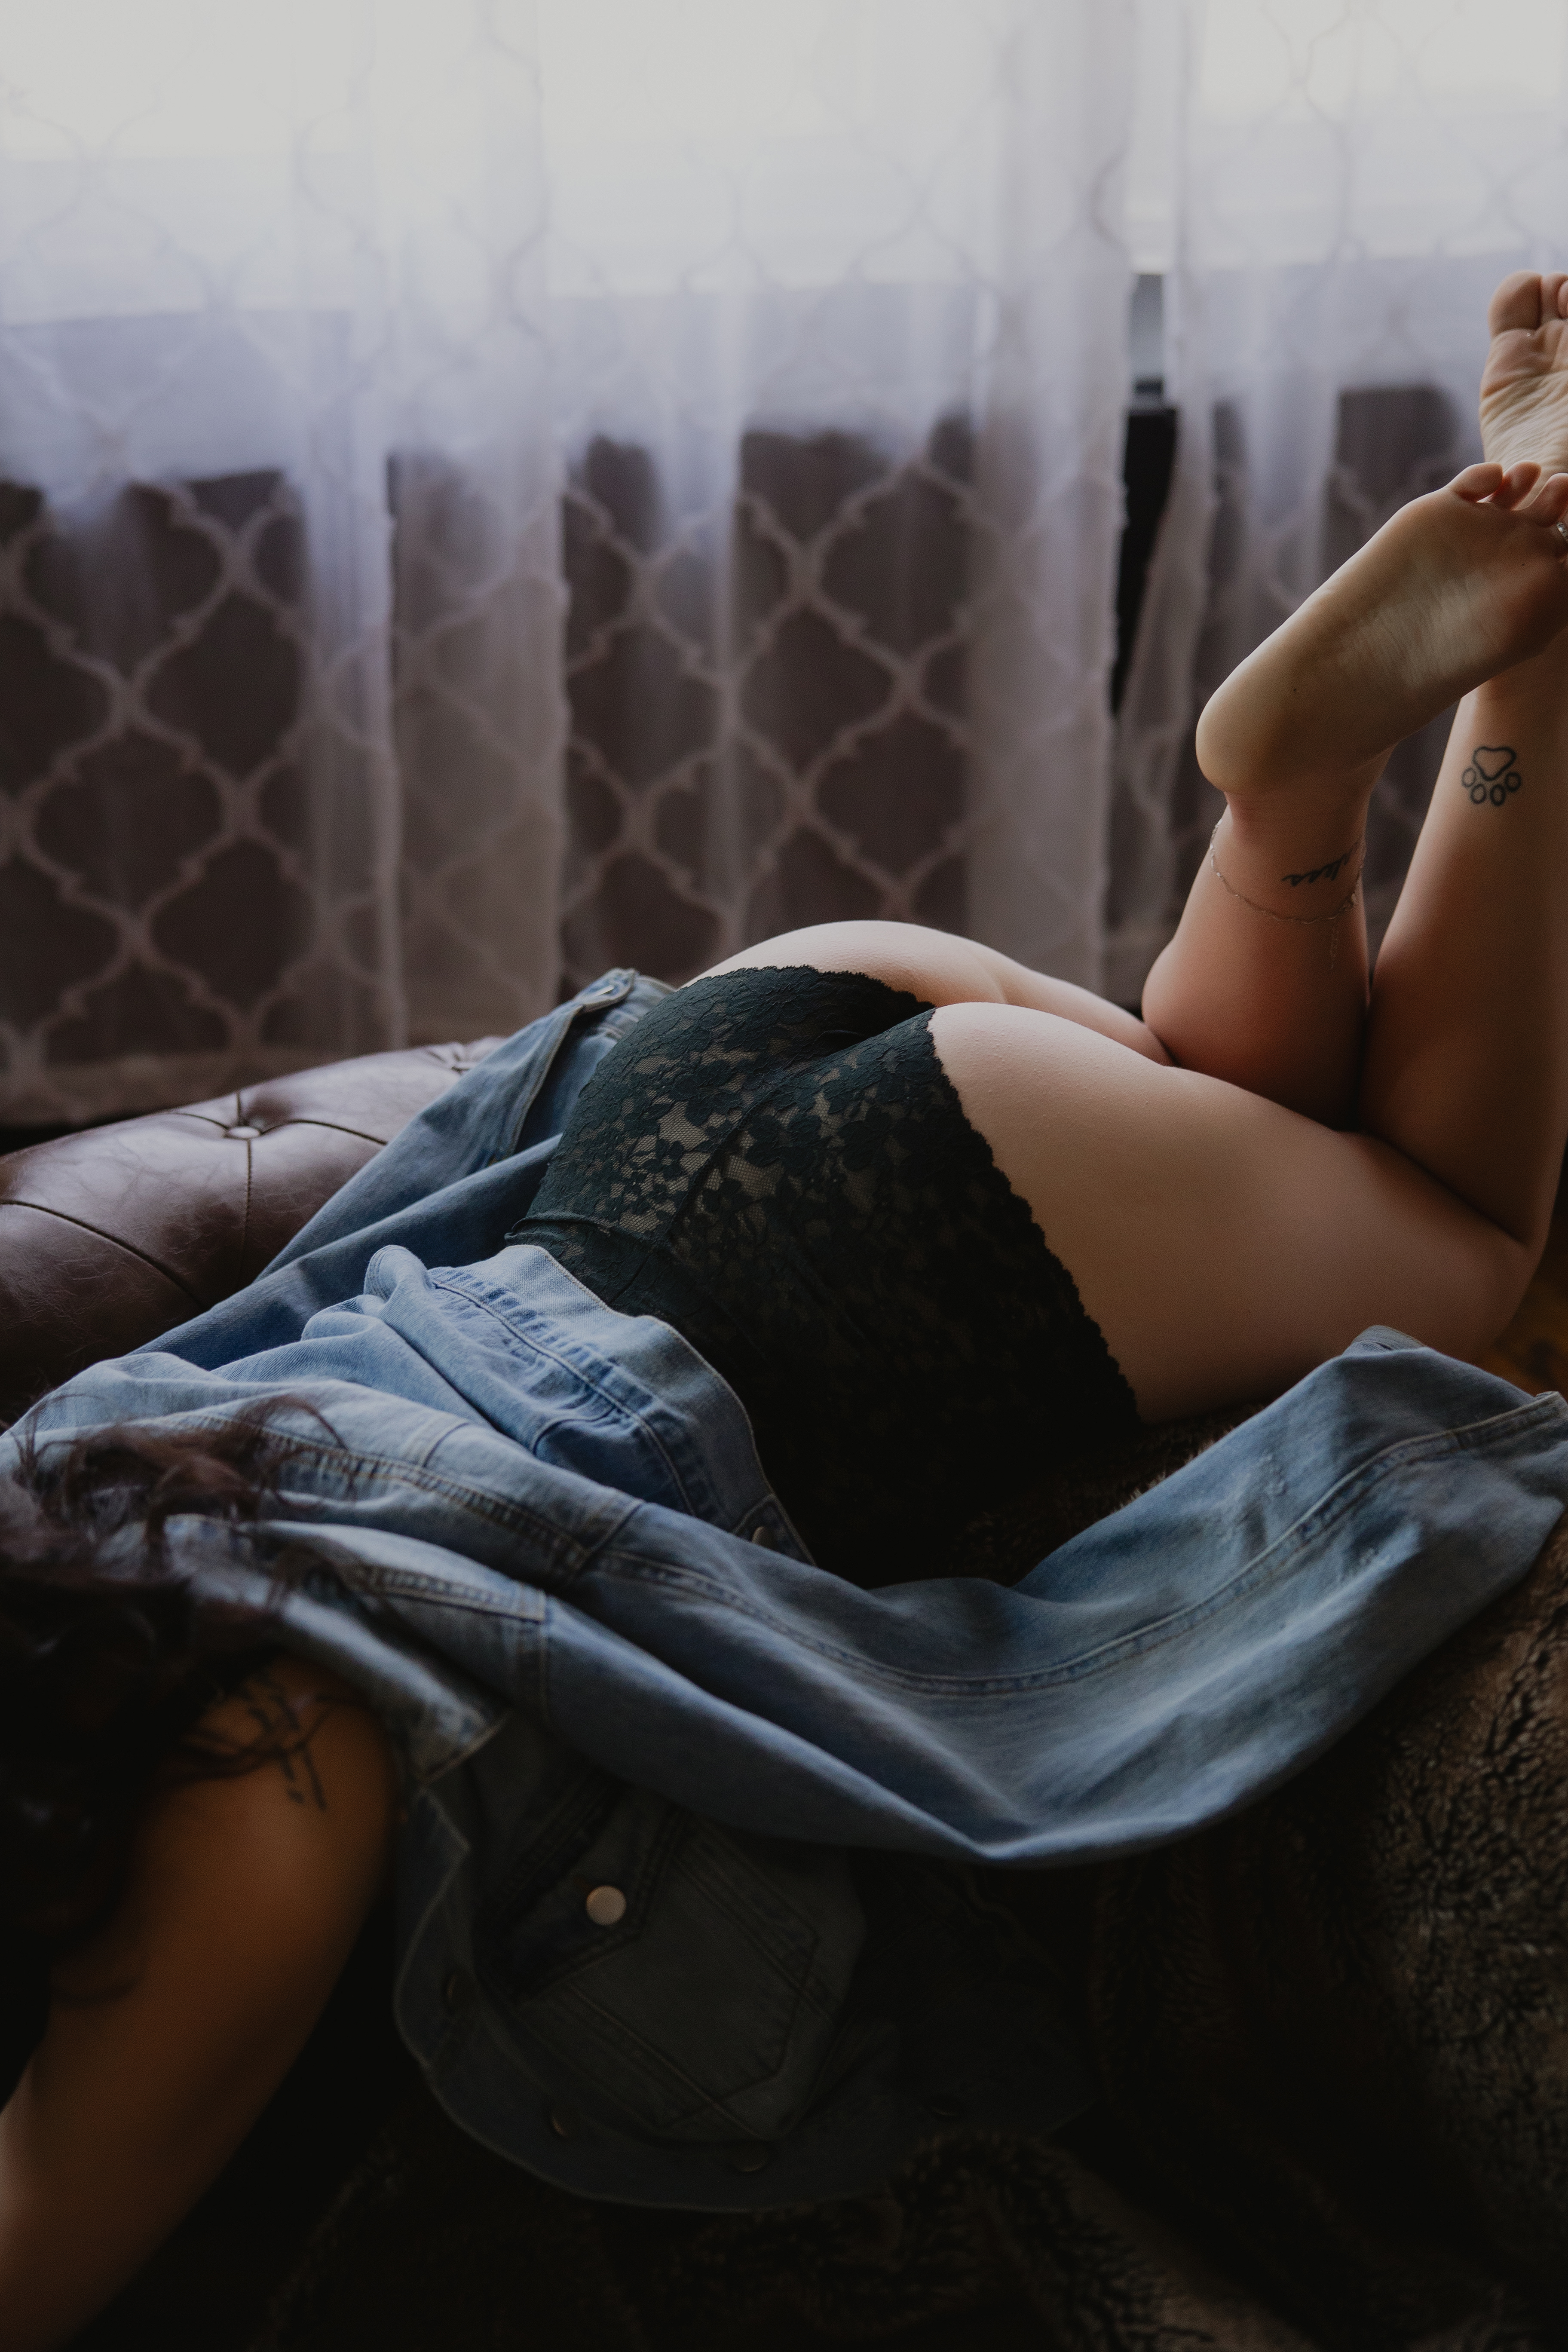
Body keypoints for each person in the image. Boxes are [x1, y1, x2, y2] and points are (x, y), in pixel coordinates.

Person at [6, 270, 1568, 2349]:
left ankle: (1473, 690)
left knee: (1460, 1248)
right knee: (1255, 1137)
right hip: (747, 1062)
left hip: (887, 1236)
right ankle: (1384, 679)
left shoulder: (231, 1780)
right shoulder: (72, 1537)